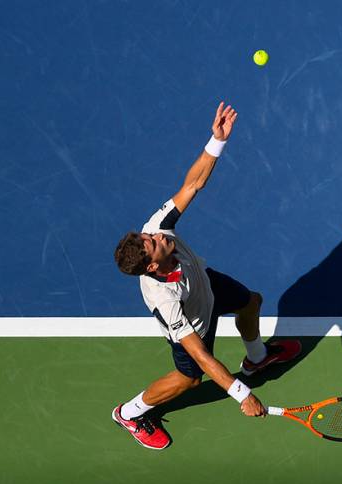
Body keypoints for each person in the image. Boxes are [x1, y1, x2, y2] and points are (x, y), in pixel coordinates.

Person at [111, 101, 301, 450]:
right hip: (192, 321)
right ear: (152, 265)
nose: (155, 236)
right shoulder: (164, 301)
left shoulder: (157, 228)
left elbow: (192, 185)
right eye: (152, 243)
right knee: (189, 379)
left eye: (148, 236)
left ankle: (257, 359)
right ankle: (130, 412)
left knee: (250, 303)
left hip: (206, 284)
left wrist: (217, 141)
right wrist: (241, 394)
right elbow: (200, 354)